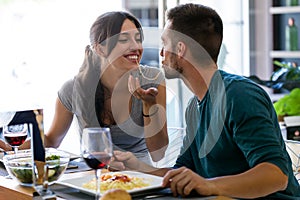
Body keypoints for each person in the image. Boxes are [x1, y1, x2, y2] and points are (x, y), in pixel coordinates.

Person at [112, 3, 300, 199]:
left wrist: (209, 185)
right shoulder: (194, 107)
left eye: (164, 44)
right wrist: (135, 167)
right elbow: (180, 174)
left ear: (180, 49)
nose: (160, 53)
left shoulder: (240, 95)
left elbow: (276, 176)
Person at [9, 11, 168, 164]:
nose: (136, 47)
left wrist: (149, 104)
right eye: (124, 40)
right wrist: (11, 148)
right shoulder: (73, 89)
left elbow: (158, 153)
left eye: (138, 39)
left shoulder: (152, 80)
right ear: (100, 49)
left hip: (141, 179)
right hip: (94, 178)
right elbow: (52, 140)